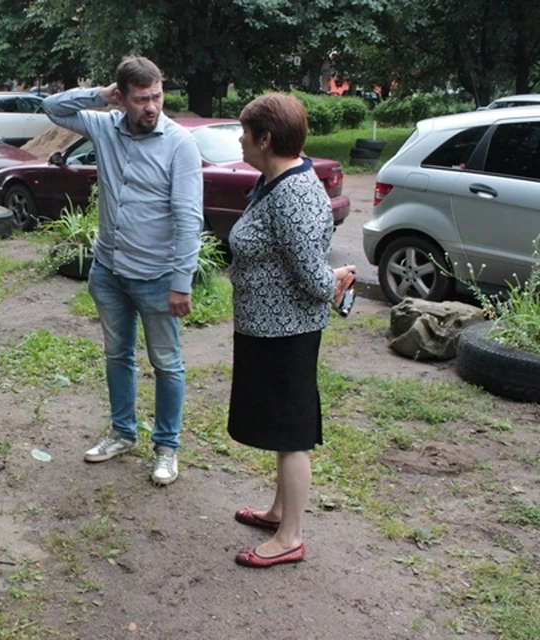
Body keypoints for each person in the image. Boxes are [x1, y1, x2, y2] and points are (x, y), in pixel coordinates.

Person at [43, 57, 203, 486]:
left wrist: (181, 282)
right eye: (140, 99)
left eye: (157, 96)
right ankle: (122, 432)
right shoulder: (104, 125)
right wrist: (98, 96)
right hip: (109, 271)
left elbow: (189, 218)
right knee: (118, 356)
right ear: (122, 98)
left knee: (166, 364)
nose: (151, 107)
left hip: (156, 277)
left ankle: (166, 447)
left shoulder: (179, 144)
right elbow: (52, 108)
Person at [225, 93, 357, 567]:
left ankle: (291, 537)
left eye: (245, 132)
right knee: (281, 428)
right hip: (267, 327)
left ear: (265, 138)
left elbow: (312, 275)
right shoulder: (276, 181)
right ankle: (279, 512)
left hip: (287, 331)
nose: (239, 139)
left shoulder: (295, 195)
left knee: (292, 432)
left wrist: (337, 281)